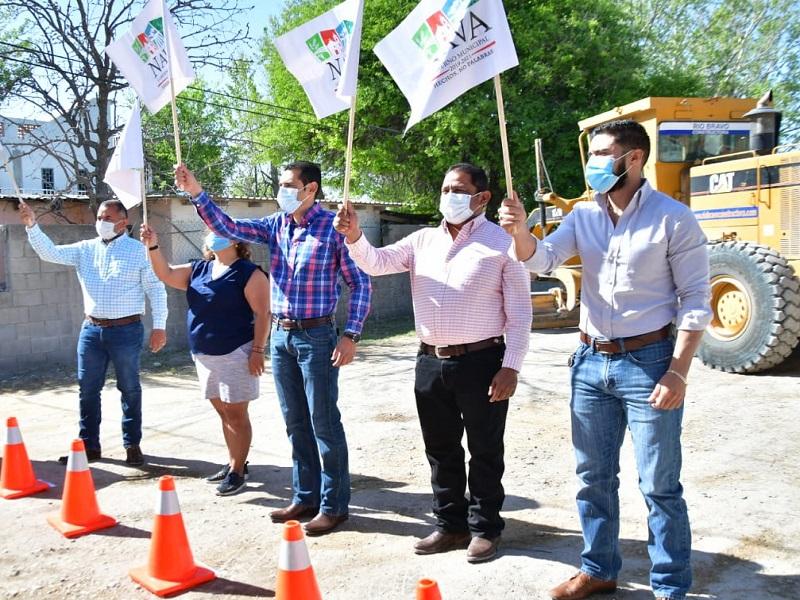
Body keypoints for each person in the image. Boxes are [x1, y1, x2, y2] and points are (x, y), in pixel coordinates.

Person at [499, 120, 711, 600]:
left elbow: (696, 300)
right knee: (593, 478)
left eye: (601, 154)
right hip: (591, 363)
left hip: (651, 363)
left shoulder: (673, 218)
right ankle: (598, 570)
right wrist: (520, 232)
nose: (592, 164)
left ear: (633, 158)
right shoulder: (583, 216)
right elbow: (543, 259)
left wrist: (677, 371)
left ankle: (670, 586)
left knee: (659, 484)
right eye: (591, 154)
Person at [334, 163, 531, 563]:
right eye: (444, 189)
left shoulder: (505, 244)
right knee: (440, 449)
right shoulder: (422, 240)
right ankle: (450, 524)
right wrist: (354, 236)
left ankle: (485, 528)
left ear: (482, 197)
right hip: (429, 362)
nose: (448, 196)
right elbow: (377, 262)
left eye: (458, 189)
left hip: (483, 362)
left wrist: (510, 366)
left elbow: (520, 313)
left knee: (484, 448)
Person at [175, 161, 371, 535]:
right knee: (295, 422)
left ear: (310, 189)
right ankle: (305, 496)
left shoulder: (335, 228)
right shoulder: (276, 225)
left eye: (288, 185)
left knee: (323, 422)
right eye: (280, 184)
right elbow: (227, 227)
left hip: (317, 336)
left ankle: (334, 506)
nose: (280, 191)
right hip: (282, 337)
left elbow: (360, 284)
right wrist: (196, 192)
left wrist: (352, 335)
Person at [18, 199, 168, 466]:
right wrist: (32, 224)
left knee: (130, 389)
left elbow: (156, 290)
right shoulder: (85, 249)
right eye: (99, 217)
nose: (101, 222)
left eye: (108, 218)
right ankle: (89, 446)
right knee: (87, 389)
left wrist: (160, 327)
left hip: (126, 331)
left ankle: (132, 444)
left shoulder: (140, 251)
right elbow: (50, 252)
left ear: (123, 222)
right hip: (91, 330)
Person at [140, 225, 270, 496]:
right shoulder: (199, 269)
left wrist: (258, 351)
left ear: (236, 240)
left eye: (219, 230)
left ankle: (237, 471)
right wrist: (152, 246)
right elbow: (165, 273)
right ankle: (234, 461)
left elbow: (263, 314)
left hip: (236, 352)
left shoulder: (250, 273)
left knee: (236, 414)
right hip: (204, 354)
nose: (213, 235)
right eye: (209, 231)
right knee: (223, 412)